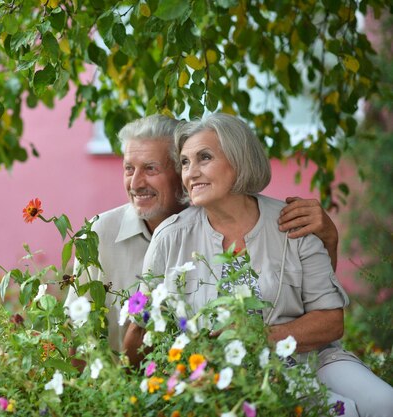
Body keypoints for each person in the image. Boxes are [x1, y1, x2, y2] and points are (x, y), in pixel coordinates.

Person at [124, 113, 393, 416]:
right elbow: (142, 327)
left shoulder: (294, 222)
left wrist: (257, 337)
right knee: (338, 411)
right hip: (222, 375)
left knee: (385, 403)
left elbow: (331, 321)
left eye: (204, 158)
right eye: (185, 162)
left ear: (239, 161)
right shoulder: (170, 238)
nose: (191, 172)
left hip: (311, 360)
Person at [65, 114, 340, 352]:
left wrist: (328, 238)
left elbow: (318, 307)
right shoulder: (100, 234)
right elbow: (75, 331)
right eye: (128, 169)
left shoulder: (264, 222)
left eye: (150, 168)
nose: (136, 183)